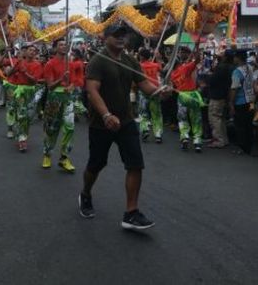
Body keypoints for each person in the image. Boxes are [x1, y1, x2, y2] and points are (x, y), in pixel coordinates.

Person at [79, 23, 169, 230]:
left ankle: (131, 213)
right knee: (96, 164)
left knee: (135, 164)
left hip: (126, 121)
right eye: (116, 35)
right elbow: (92, 91)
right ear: (105, 37)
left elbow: (144, 85)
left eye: (124, 35)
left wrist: (159, 92)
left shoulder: (130, 60)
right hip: (102, 124)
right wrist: (106, 115)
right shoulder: (97, 61)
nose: (121, 38)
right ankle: (85, 193)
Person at [41, 39, 75, 169]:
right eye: (60, 44)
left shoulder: (70, 64)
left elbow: (74, 82)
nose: (64, 46)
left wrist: (70, 86)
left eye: (65, 44)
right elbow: (49, 86)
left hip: (67, 97)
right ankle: (47, 155)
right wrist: (61, 79)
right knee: (52, 129)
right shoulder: (49, 64)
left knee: (70, 127)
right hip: (54, 98)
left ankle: (64, 157)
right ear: (55, 48)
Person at [170, 45, 204, 152]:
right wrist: (197, 49)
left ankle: (184, 138)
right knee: (196, 120)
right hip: (192, 95)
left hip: (182, 96)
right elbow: (198, 60)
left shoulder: (172, 75)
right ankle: (197, 142)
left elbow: (173, 87)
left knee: (182, 119)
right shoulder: (185, 68)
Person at [206, 50, 234, 148]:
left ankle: (218, 139)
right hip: (224, 95)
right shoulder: (230, 67)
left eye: (222, 54)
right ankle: (223, 139)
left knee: (214, 117)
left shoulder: (222, 67)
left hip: (217, 95)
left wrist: (210, 75)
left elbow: (213, 80)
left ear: (225, 57)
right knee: (220, 118)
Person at [230, 50, 256, 155]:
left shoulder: (237, 71)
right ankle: (248, 146)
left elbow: (234, 88)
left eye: (234, 57)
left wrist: (231, 103)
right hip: (251, 100)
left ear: (238, 58)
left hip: (240, 101)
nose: (233, 59)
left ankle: (242, 147)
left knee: (240, 125)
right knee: (248, 124)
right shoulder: (250, 68)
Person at [137, 48, 163, 143]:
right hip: (155, 91)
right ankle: (158, 134)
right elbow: (162, 70)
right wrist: (158, 58)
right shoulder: (155, 65)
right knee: (156, 114)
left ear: (142, 56)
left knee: (143, 113)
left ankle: (145, 130)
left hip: (144, 91)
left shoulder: (139, 66)